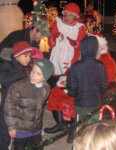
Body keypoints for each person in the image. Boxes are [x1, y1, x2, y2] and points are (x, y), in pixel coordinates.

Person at [44, 2, 85, 134]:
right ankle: (60, 122)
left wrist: (75, 44)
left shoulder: (80, 27)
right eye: (65, 14)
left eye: (69, 15)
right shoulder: (58, 23)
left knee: (68, 94)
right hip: (56, 60)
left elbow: (81, 46)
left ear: (75, 16)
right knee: (55, 90)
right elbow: (51, 42)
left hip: (71, 62)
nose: (66, 17)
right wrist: (54, 37)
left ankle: (72, 124)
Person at [4, 58, 54, 150]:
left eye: (38, 74)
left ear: (45, 77)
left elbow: (40, 107)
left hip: (36, 129)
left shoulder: (46, 88)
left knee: (37, 147)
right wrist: (12, 127)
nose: (33, 75)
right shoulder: (18, 86)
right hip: (20, 129)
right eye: (33, 71)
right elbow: (9, 107)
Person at [66, 36, 108, 143]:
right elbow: (104, 85)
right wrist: (99, 94)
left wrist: (74, 93)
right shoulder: (101, 66)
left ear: (82, 48)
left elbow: (71, 86)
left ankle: (79, 146)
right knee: (94, 128)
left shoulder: (76, 66)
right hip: (96, 102)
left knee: (80, 128)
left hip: (81, 103)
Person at [0, 41, 35, 150]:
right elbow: (4, 81)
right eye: (25, 56)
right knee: (4, 135)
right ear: (17, 56)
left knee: (22, 136)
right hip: (7, 108)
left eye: (29, 55)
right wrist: (22, 73)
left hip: (23, 108)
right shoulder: (7, 65)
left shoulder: (28, 67)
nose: (28, 58)